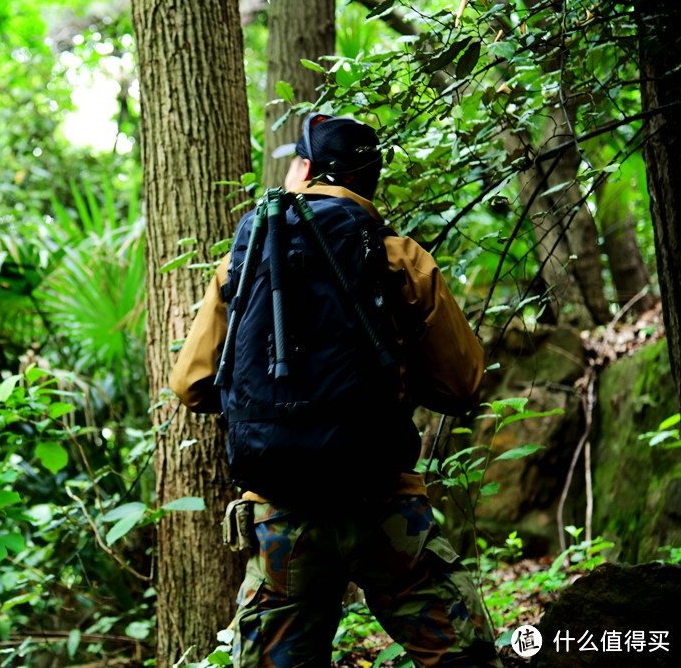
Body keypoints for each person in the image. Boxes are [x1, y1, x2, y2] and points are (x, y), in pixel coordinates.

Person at [168, 113, 501, 667]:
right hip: (383, 506)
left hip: (281, 514)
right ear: (369, 180)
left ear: (306, 170)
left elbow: (191, 385)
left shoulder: (244, 262)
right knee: (462, 658)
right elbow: (462, 382)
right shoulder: (399, 257)